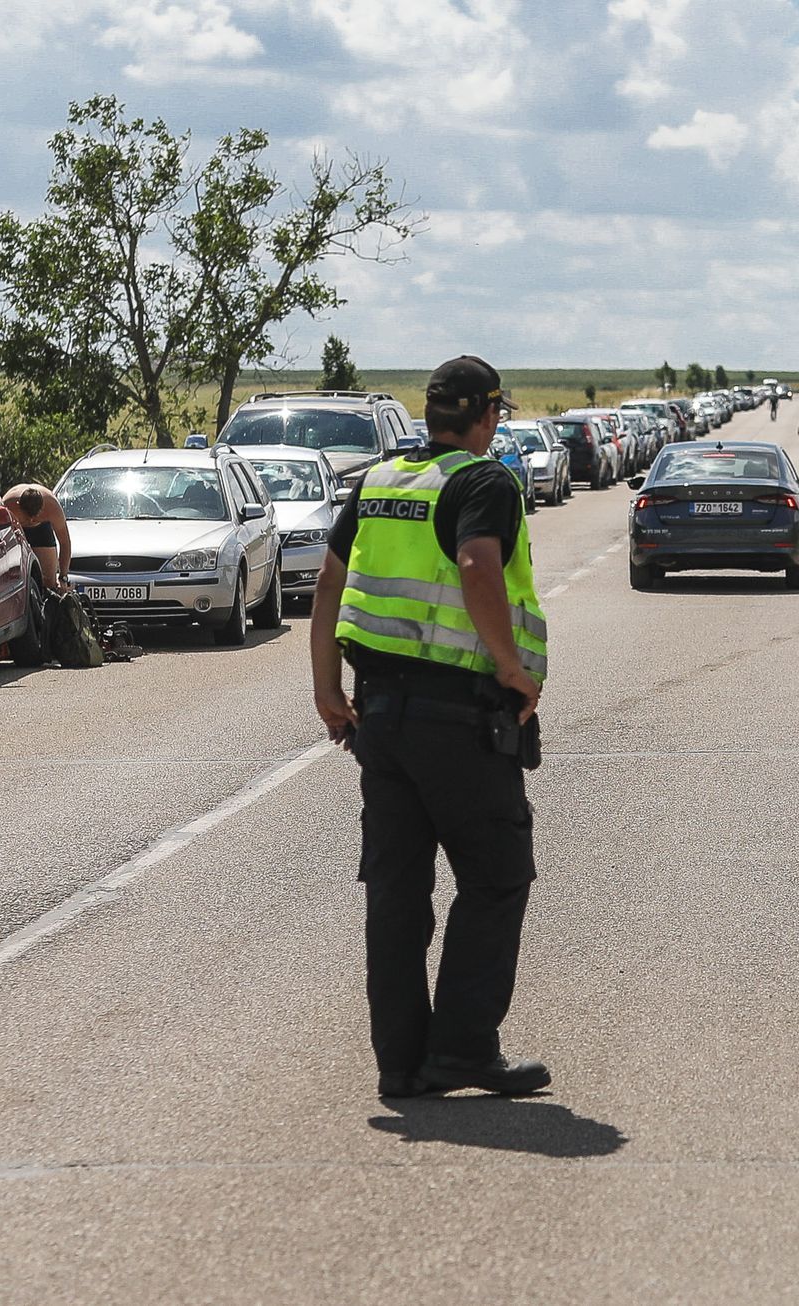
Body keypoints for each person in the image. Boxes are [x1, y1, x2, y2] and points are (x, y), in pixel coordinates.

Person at [310, 355, 552, 1099]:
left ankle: (401, 1063)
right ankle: (464, 1049)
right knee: (496, 876)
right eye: (497, 415)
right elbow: (480, 568)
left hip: (378, 716)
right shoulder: (482, 481)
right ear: (485, 416)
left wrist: (326, 691)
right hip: (460, 720)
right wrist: (514, 669)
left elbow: (329, 582)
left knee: (396, 892)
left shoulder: (380, 480)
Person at [2, 484, 72, 592]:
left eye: (35, 517)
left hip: (41, 531)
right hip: (17, 531)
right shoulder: (8, 505)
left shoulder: (52, 506)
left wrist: (63, 577)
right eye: (26, 517)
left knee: (49, 583)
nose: (30, 521)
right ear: (18, 505)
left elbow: (65, 543)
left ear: (42, 508)